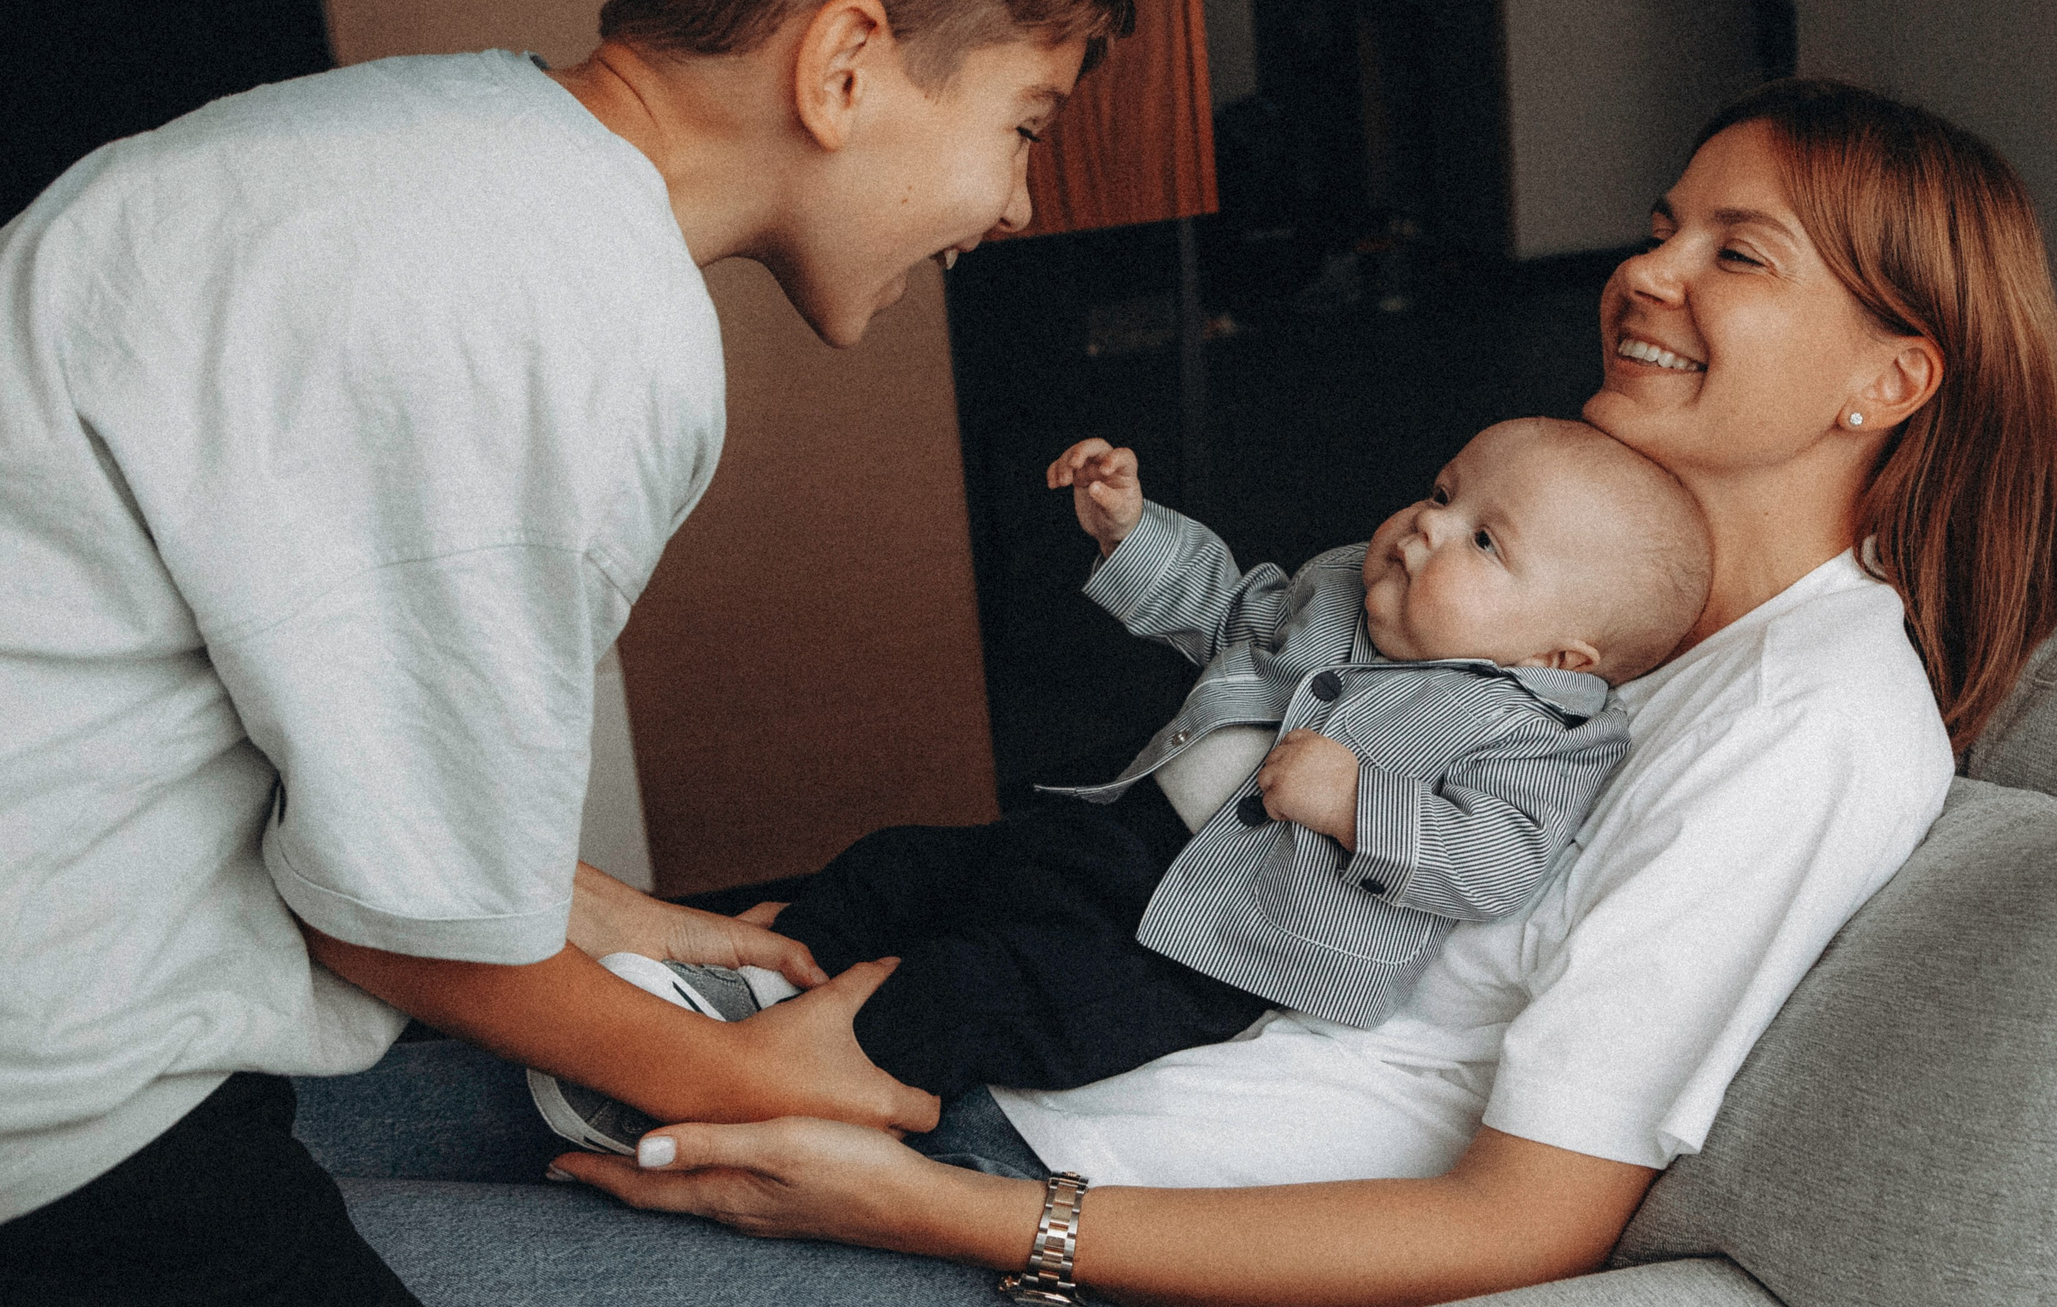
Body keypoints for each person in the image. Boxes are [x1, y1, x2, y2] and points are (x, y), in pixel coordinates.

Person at [295, 75, 2057, 1307]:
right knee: (267, 1106)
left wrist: (953, 1218)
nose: (1647, 274)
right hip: (994, 1043)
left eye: (1744, 253)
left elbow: (1523, 1224)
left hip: (1057, 1199)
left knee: (261, 1288)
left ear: (1895, 376)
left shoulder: (1811, 718)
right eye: (1660, 228)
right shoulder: (1580, 583)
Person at [0, 0, 1130, 1307]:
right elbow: (394, 919)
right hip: (34, 1081)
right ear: (847, 65)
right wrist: (766, 1083)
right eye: (1024, 124)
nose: (1017, 205)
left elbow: (327, 723)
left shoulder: (447, 158)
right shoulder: (578, 325)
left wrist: (613, 914)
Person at [529, 416, 1708, 1150]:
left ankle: (748, 1088)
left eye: (1484, 543)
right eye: (1443, 493)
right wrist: (1131, 529)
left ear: (1564, 657)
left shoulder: (1542, 734)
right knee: (904, 864)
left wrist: (1357, 801)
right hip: (1112, 840)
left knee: (980, 988)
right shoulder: (1346, 588)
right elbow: (1228, 610)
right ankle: (755, 977)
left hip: (1196, 953)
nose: (1424, 531)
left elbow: (1495, 860)